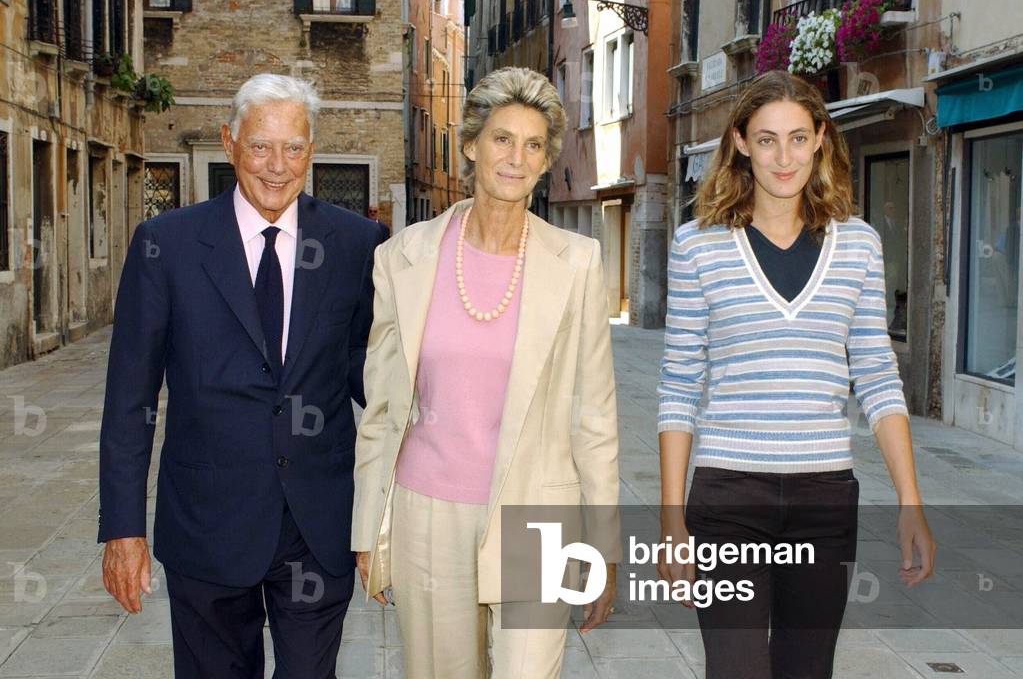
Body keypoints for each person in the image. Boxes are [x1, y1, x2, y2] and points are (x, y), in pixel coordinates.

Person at [98, 73, 385, 678]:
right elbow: (130, 396)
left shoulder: (358, 244)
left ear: (312, 149)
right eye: (260, 146)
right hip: (207, 524)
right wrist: (123, 528)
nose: (277, 166)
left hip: (318, 523)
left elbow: (372, 371)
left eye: (294, 147)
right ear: (230, 143)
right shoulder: (167, 245)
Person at [656, 70, 936, 679]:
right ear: (739, 143)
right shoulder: (697, 246)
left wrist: (910, 501)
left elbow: (878, 376)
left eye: (796, 138)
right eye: (765, 139)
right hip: (728, 498)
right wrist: (670, 517)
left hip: (823, 499)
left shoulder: (859, 245)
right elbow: (678, 386)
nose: (783, 157)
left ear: (820, 141)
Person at [352, 66, 620, 679]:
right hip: (429, 513)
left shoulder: (577, 262)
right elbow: (383, 409)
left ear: (546, 160)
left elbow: (596, 417)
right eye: (502, 139)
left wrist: (604, 545)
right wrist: (368, 526)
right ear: (471, 145)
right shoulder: (403, 258)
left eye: (532, 146)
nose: (516, 158)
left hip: (538, 516)